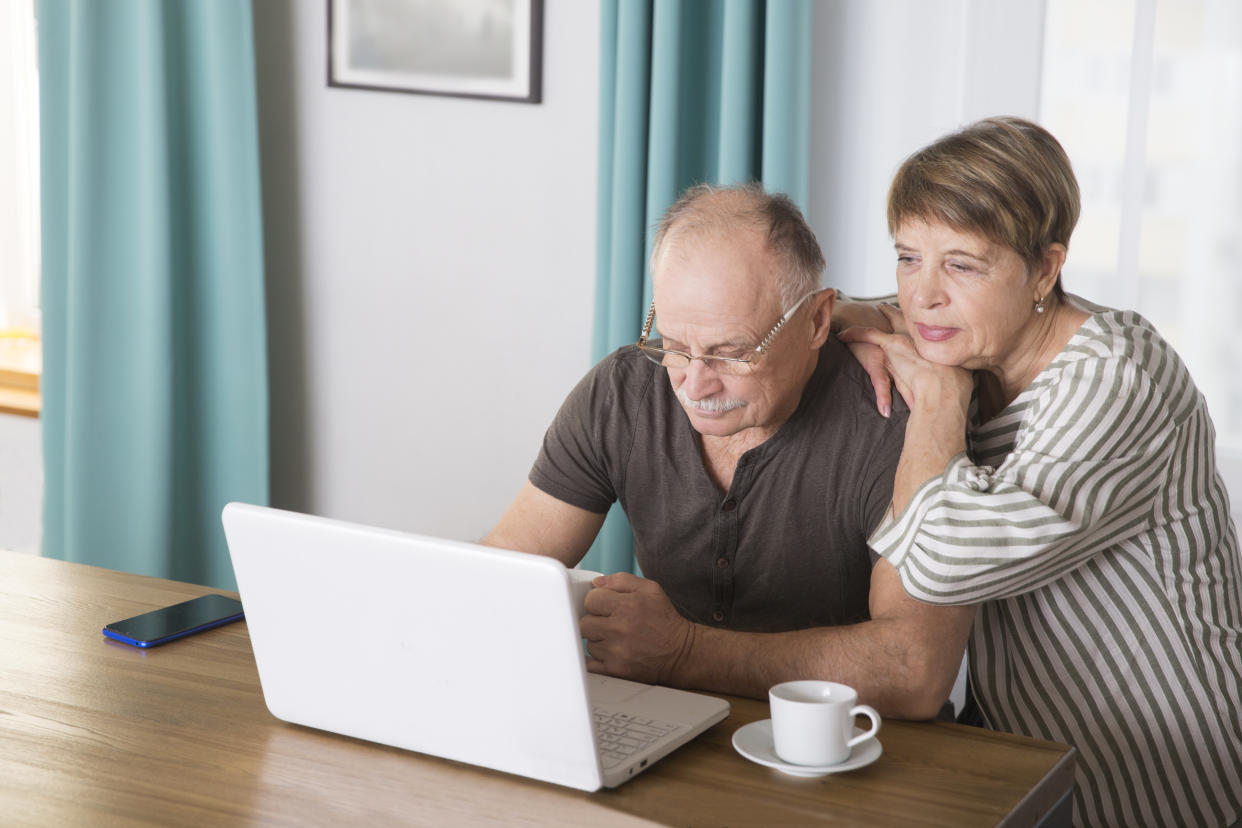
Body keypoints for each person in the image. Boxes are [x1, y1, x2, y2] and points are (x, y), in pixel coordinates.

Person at [838, 117, 1242, 827]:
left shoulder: (1118, 379)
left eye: (961, 264)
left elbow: (941, 568)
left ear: (1046, 270)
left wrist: (936, 400)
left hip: (1163, 781)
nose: (923, 294)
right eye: (907, 258)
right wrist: (846, 313)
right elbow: (862, 307)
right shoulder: (973, 337)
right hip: (1025, 771)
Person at [484, 183, 974, 718]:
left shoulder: (899, 422)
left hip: (853, 751)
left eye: (732, 354)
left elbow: (914, 672)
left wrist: (683, 653)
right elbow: (503, 571)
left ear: (815, 321)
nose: (694, 386)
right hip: (669, 733)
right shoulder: (623, 391)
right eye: (673, 346)